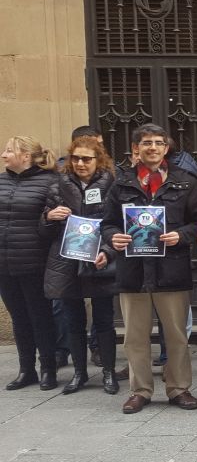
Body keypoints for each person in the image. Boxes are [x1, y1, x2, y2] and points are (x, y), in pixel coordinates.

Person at [103, 124, 197, 413]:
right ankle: (140, 390)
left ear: (166, 148)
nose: (152, 147)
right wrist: (114, 236)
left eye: (158, 142)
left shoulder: (184, 181)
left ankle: (178, 388)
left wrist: (181, 235)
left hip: (171, 270)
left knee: (176, 335)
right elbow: (107, 222)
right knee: (135, 337)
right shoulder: (121, 183)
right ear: (136, 148)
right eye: (146, 142)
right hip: (133, 272)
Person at [42, 136, 119, 394]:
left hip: (100, 259)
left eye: (86, 158)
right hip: (66, 261)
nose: (80, 163)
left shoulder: (113, 186)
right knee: (73, 319)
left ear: (99, 160)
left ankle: (109, 372)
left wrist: (108, 251)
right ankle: (79, 373)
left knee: (104, 319)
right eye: (75, 158)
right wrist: (49, 217)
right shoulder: (57, 186)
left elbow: (118, 225)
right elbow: (42, 230)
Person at [0, 136, 61, 391]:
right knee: (18, 317)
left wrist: (48, 219)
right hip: (4, 261)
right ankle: (26, 369)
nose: (3, 155)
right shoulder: (1, 181)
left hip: (33, 260)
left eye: (9, 151)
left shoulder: (49, 183)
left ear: (25, 156)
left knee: (40, 316)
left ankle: (48, 368)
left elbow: (50, 227)